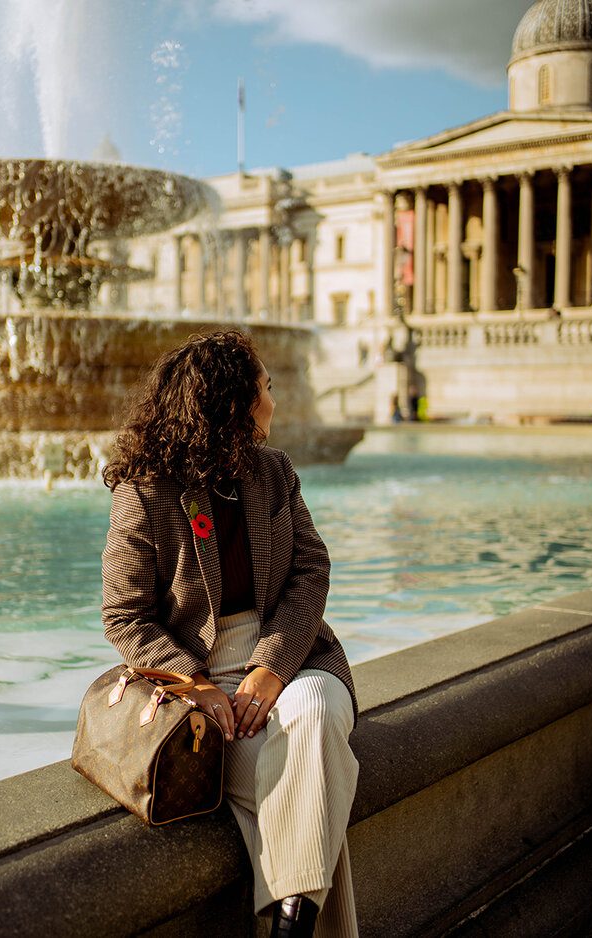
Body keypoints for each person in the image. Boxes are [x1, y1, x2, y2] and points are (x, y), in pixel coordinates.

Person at [101, 331, 359, 938]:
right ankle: (297, 923)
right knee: (308, 775)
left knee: (316, 712)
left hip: (293, 657)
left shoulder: (274, 472)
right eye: (266, 387)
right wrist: (199, 688)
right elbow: (123, 613)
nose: (274, 399)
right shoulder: (146, 490)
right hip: (197, 679)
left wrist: (271, 668)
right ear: (234, 402)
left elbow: (310, 569)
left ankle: (287, 924)